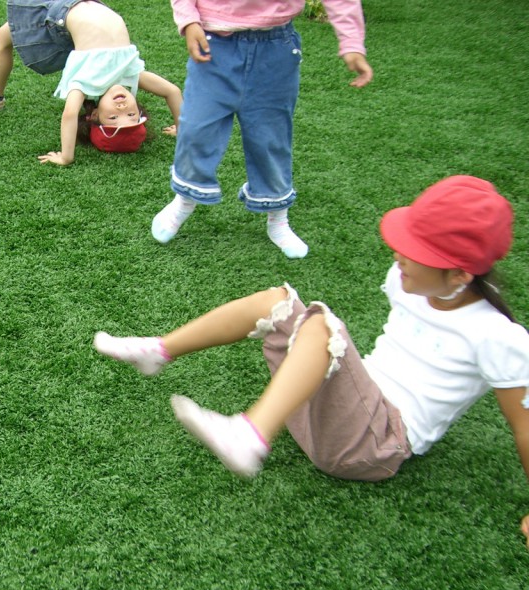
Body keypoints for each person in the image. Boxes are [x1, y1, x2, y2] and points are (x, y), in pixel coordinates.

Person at [94, 176, 529, 547]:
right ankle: (158, 351)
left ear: (460, 275)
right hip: (326, 412)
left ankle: (249, 436)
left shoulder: (497, 336)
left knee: (322, 324)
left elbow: (524, 425)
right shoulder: (404, 280)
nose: (398, 254)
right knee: (278, 301)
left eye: (417, 251)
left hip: (372, 446)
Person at [152, 0, 374, 258]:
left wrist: (352, 42)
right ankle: (184, 201)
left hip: (275, 48)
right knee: (197, 128)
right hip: (214, 45)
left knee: (270, 137)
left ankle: (278, 219)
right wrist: (189, 20)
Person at [0, 0, 182, 166]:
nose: (123, 110)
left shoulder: (86, 83)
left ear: (93, 116)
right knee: (2, 37)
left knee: (2, 37)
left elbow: (70, 114)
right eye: (133, 117)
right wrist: (183, 129)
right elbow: (172, 91)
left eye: (113, 118)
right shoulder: (131, 76)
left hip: (60, 16)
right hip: (86, 4)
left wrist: (66, 157)